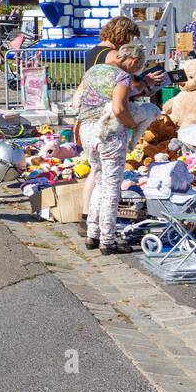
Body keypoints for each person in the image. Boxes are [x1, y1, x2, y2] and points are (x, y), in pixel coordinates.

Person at [72, 41, 146, 254]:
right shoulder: (121, 76)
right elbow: (119, 108)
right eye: (137, 68)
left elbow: (79, 99)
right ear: (132, 61)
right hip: (108, 132)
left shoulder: (94, 70)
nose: (135, 73)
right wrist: (133, 125)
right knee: (112, 187)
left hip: (87, 130)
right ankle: (108, 240)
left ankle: (93, 234)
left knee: (99, 180)